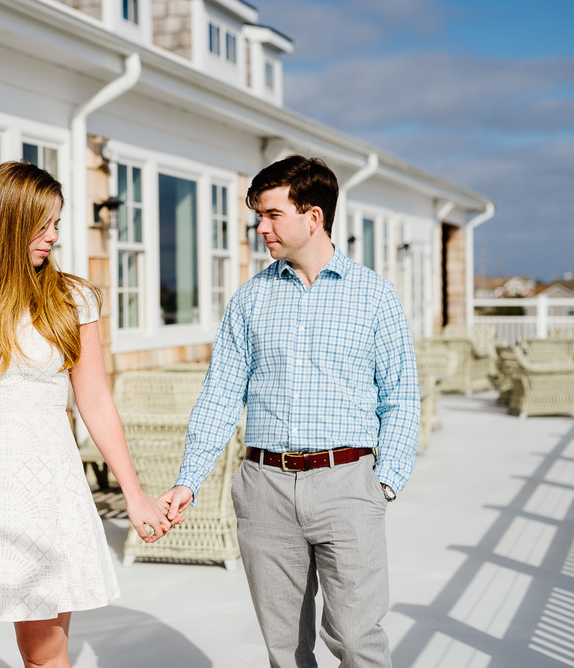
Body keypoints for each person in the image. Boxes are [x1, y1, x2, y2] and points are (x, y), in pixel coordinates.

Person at [0, 161, 170, 668]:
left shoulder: (73, 298)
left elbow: (96, 402)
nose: (52, 237)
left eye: (57, 225)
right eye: (41, 225)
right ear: (4, 222)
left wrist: (134, 494)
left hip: (47, 490)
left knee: (45, 654)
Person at [161, 155, 419, 667]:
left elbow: (402, 396)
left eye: (273, 214)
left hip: (347, 484)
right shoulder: (250, 300)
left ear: (313, 216)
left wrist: (382, 482)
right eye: (259, 215)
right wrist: (189, 479)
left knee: (358, 641)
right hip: (265, 489)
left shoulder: (374, 296)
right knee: (284, 650)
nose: (261, 228)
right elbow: (219, 395)